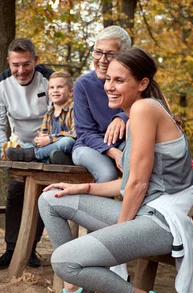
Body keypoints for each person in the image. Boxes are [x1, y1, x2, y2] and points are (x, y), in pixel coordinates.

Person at [38, 47, 193, 293]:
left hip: (162, 221)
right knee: (50, 199)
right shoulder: (137, 112)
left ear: (141, 83)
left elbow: (137, 185)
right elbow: (127, 184)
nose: (109, 87)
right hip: (143, 212)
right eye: (108, 79)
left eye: (119, 80)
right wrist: (81, 188)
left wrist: (120, 231)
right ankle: (76, 290)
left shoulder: (143, 110)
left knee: (63, 262)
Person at [0, 38, 54, 270]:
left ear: (35, 60)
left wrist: (45, 145)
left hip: (46, 146)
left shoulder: (49, 79)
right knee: (15, 194)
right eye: (15, 64)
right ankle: (10, 248)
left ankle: (30, 248)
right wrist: (5, 147)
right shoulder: (1, 83)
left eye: (26, 64)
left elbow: (56, 115)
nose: (21, 70)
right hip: (18, 147)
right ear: (9, 62)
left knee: (40, 195)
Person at [72, 26, 131, 182]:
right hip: (88, 146)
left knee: (139, 163)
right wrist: (113, 152)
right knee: (107, 174)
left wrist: (122, 117)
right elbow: (85, 133)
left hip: (124, 143)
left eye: (110, 54)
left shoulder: (132, 81)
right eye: (98, 52)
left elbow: (148, 106)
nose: (102, 60)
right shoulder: (83, 85)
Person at [6, 71, 76, 165]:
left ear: (70, 92)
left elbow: (75, 134)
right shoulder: (48, 114)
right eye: (52, 87)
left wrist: (49, 139)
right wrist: (38, 140)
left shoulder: (74, 109)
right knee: (28, 145)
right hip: (52, 150)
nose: (55, 90)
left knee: (67, 142)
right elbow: (43, 135)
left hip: (68, 149)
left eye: (60, 87)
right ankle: (52, 159)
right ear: (48, 92)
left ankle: (35, 155)